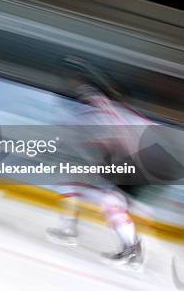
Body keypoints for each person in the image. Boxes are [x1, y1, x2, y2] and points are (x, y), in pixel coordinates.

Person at [46, 56, 152, 267]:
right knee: (103, 199)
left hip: (137, 163)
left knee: (110, 203)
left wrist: (81, 74)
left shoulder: (100, 111)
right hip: (138, 162)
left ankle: (132, 250)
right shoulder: (114, 112)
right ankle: (128, 247)